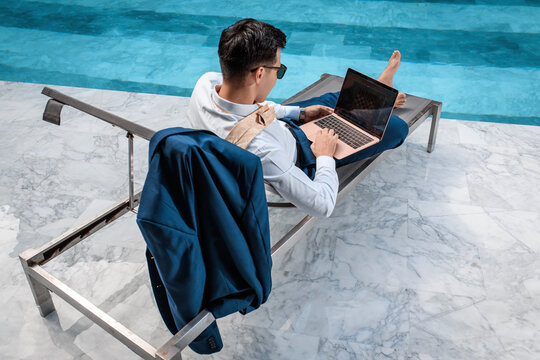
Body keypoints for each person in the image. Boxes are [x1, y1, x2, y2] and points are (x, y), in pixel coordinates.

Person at [188, 18, 409, 217]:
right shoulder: (264, 152)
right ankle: (381, 98)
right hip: (300, 153)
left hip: (274, 124)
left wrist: (300, 113)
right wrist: (324, 155)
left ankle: (380, 93)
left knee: (334, 102)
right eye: (279, 70)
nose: (278, 76)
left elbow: (250, 106)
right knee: (397, 128)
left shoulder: (206, 84)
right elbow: (322, 205)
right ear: (260, 74)